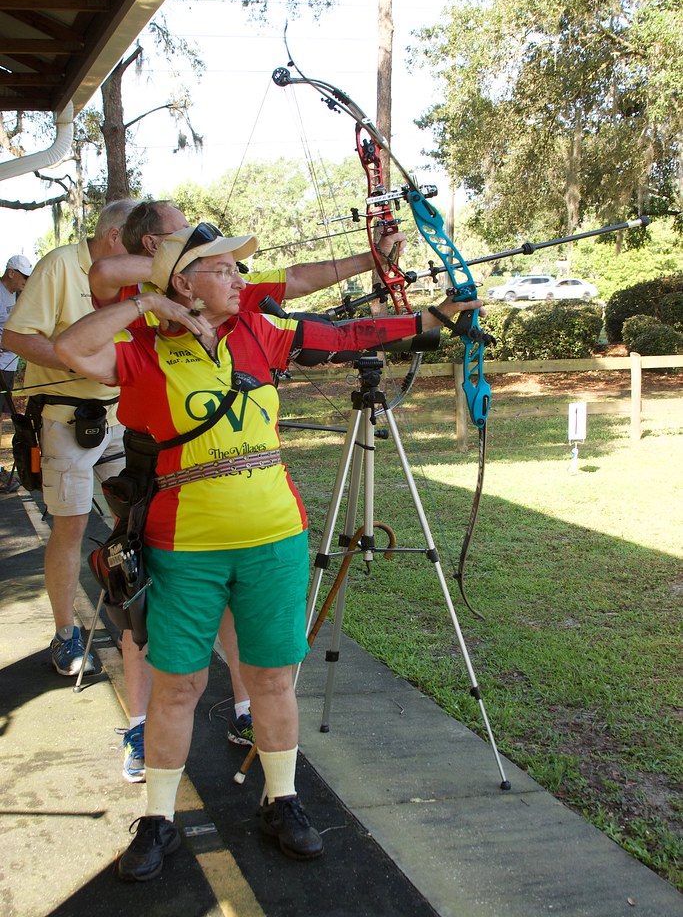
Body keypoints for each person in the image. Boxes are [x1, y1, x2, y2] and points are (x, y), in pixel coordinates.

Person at [54, 223, 482, 878]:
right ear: (182, 283)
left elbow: (347, 337)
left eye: (235, 270)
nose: (238, 280)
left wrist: (432, 317)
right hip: (183, 549)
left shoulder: (261, 331)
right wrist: (146, 306)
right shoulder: (137, 351)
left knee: (273, 679)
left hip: (273, 543)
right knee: (177, 688)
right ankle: (160, 819)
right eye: (221, 270)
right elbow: (66, 348)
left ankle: (281, 799)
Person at [87, 198, 409, 765]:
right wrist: (170, 282)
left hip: (259, 520)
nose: (236, 271)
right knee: (166, 659)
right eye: (180, 230)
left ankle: (253, 730)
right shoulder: (133, 303)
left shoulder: (232, 299)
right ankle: (143, 734)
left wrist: (376, 264)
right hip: (174, 504)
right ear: (152, 249)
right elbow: (100, 287)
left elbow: (306, 292)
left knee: (262, 655)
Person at [1, 201, 140, 683]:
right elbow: (15, 337)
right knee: (71, 526)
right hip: (66, 420)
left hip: (125, 416)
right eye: (140, 239)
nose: (150, 249)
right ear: (113, 237)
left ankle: (140, 612)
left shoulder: (135, 276)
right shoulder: (58, 265)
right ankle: (66, 633)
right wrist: (79, 362)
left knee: (140, 516)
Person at [0, 254, 33, 412]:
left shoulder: (16, 294)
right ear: (11, 273)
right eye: (24, 276)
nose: (26, 281)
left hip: (10, 363)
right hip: (0, 364)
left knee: (3, 413)